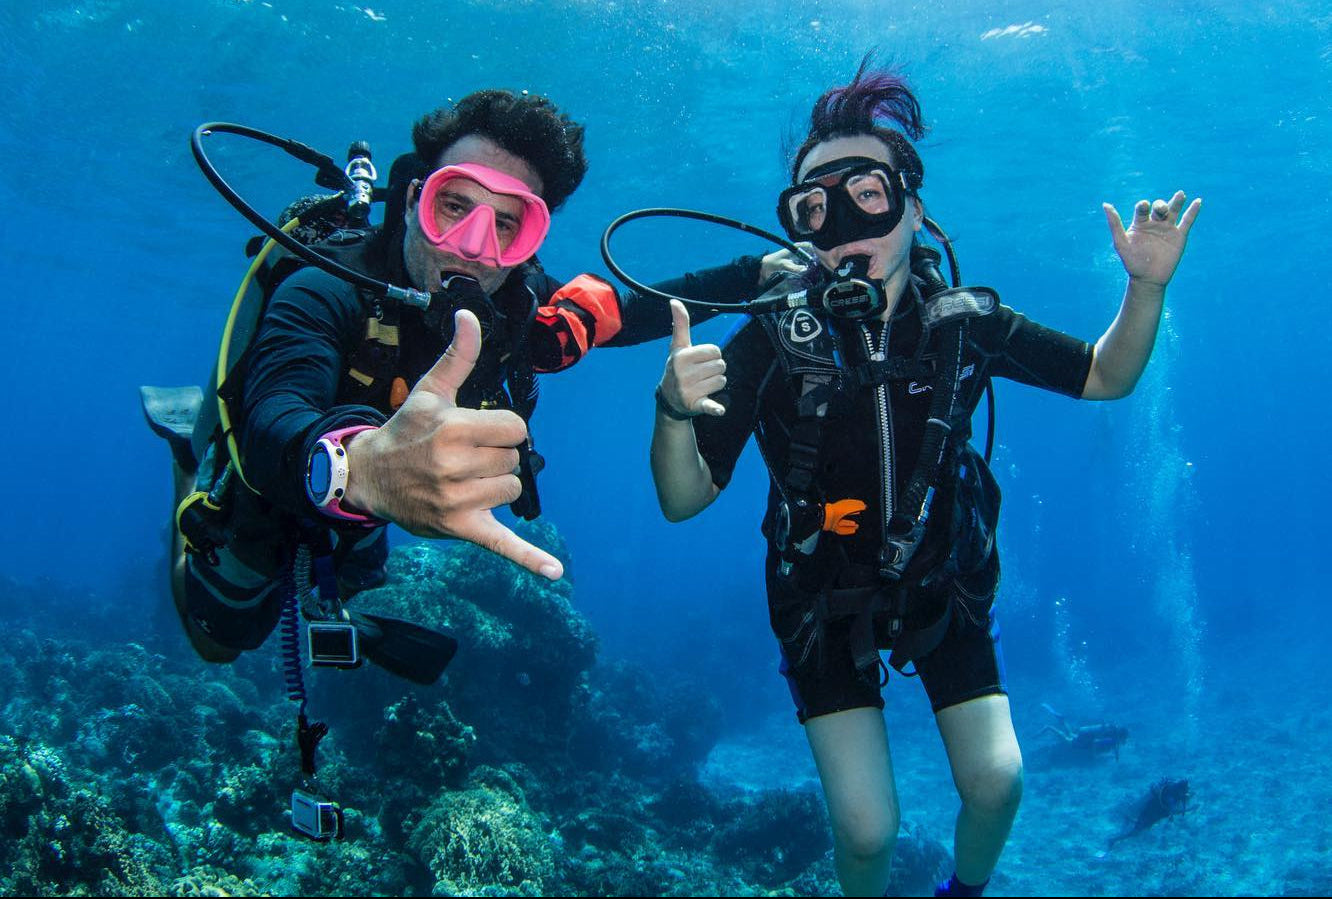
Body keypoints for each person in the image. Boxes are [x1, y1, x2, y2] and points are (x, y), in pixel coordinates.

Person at [648, 57, 1200, 897]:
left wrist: (1145, 288)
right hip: (818, 595)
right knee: (868, 832)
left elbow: (1104, 375)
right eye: (812, 208)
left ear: (913, 205)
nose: (841, 224)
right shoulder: (768, 339)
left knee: (998, 782)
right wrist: (672, 411)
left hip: (941, 577)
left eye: (866, 194)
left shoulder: (963, 326)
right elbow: (683, 499)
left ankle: (962, 893)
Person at [143, 88, 766, 673]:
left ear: (531, 238)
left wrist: (755, 274)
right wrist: (360, 473)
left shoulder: (522, 306)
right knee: (219, 643)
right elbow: (272, 414)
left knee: (350, 574)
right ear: (415, 199)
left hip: (376, 504)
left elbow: (630, 315)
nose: (472, 248)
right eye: (455, 205)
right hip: (280, 483)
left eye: (506, 223)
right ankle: (184, 463)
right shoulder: (326, 286)